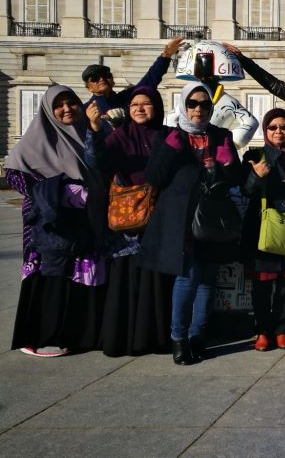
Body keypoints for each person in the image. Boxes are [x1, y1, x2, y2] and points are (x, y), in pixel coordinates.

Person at [142, 82, 243, 365]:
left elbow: (235, 179)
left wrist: (228, 163)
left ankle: (198, 336)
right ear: (184, 105)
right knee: (188, 277)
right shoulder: (170, 136)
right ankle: (179, 338)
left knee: (208, 278)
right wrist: (169, 151)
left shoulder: (221, 135)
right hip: (182, 218)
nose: (199, 109)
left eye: (205, 104)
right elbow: (154, 177)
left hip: (213, 217)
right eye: (192, 104)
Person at [6, 86, 107, 357]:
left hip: (85, 219)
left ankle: (76, 334)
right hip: (48, 223)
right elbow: (14, 175)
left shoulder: (89, 132)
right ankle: (40, 335)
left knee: (80, 276)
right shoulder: (36, 138)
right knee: (49, 278)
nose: (66, 109)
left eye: (71, 103)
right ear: (49, 111)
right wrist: (56, 191)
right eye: (59, 105)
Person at [85, 86, 174, 357]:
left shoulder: (167, 135)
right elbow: (97, 162)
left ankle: (154, 339)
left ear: (157, 107)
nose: (139, 108)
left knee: (154, 280)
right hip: (127, 221)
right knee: (125, 278)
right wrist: (94, 129)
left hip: (158, 218)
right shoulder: (120, 135)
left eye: (146, 103)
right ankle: (123, 340)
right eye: (134, 104)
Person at [240, 109, 285, 352]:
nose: (278, 131)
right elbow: (245, 191)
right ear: (265, 130)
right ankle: (262, 331)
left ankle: (282, 330)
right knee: (262, 285)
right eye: (273, 127)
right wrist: (255, 177)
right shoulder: (254, 155)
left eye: (284, 127)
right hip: (261, 229)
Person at [165, 45, 259, 149]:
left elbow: (251, 122)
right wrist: (177, 140)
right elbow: (169, 120)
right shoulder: (189, 99)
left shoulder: (228, 102)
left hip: (215, 150)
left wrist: (228, 142)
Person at [82, 37, 184, 128]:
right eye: (95, 78)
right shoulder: (85, 110)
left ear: (112, 80)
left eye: (106, 75)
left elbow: (150, 79)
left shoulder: (127, 97)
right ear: (88, 87)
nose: (101, 79)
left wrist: (166, 56)